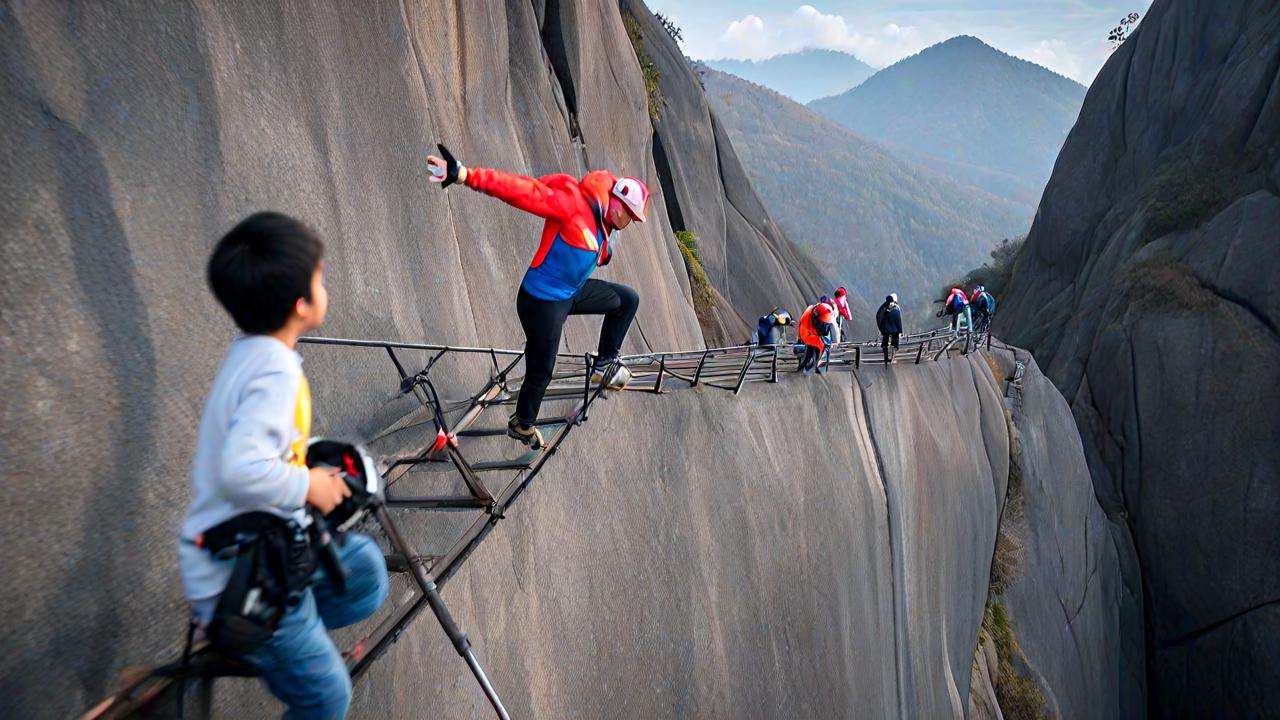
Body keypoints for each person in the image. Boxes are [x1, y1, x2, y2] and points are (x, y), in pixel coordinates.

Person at [180, 213, 389, 719]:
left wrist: (306, 459)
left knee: (366, 573)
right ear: (301, 305)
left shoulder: (256, 350)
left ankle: (284, 649)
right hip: (246, 575)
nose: (324, 285)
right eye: (319, 278)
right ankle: (271, 643)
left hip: (261, 542)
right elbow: (240, 469)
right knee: (328, 699)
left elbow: (260, 444)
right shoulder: (275, 374)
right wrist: (309, 484)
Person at [427, 144, 650, 448]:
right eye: (631, 217)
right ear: (619, 205)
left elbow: (592, 248)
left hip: (570, 294)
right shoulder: (573, 205)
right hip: (541, 304)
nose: (631, 223)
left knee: (628, 300)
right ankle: (522, 425)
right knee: (541, 372)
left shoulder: (604, 221)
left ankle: (603, 364)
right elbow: (522, 191)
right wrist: (466, 175)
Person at [797, 301, 836, 374]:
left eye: (826, 324)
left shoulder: (828, 317)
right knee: (801, 343)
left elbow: (833, 333)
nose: (825, 327)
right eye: (823, 324)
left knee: (827, 344)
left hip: (816, 336)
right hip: (807, 334)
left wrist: (832, 345)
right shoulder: (806, 317)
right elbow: (804, 337)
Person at [876, 293, 904, 363]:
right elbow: (898, 321)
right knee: (894, 345)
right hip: (895, 331)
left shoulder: (885, 310)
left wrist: (882, 330)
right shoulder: (896, 310)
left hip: (886, 330)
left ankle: (887, 356)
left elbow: (881, 319)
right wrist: (900, 331)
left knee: (886, 344)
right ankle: (892, 357)